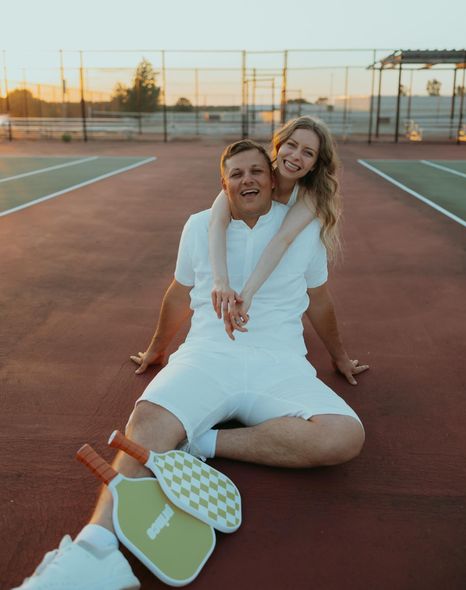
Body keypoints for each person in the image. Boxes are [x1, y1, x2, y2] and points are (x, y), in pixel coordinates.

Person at [14, 140, 366, 590]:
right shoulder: (201, 225)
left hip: (280, 364)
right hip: (209, 353)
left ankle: (200, 442)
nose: (247, 180)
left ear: (272, 176)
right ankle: (96, 549)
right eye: (236, 173)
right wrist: (157, 348)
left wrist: (338, 355)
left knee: (344, 434)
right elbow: (179, 293)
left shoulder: (303, 228)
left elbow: (319, 300)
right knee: (148, 416)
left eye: (256, 170)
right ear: (223, 183)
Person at [208, 118, 359, 384]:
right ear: (279, 144)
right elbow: (217, 220)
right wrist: (221, 282)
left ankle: (329, 349)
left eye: (308, 153)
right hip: (251, 253)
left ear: (315, 163)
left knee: (307, 295)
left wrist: (248, 293)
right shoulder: (254, 172)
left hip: (279, 263)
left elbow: (283, 239)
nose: (296, 156)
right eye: (292, 145)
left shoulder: (311, 194)